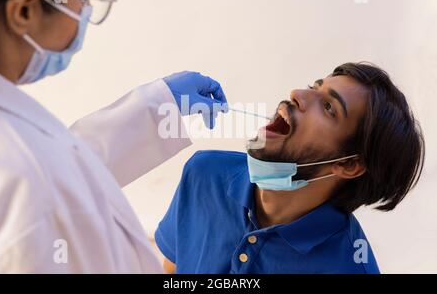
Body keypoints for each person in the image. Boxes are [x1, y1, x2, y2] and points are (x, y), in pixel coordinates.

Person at [0, 0, 228, 272]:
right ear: (25, 10)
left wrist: (156, 104)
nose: (87, 9)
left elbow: (63, 167)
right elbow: (44, 179)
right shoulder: (19, 177)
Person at [156, 62, 425, 274]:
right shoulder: (204, 174)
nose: (297, 94)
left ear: (349, 164)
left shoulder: (348, 266)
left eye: (329, 107)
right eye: (314, 87)